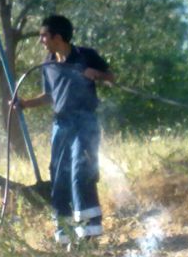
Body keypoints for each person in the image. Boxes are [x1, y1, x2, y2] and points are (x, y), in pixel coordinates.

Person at [16, 15, 114, 245]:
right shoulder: (47, 64)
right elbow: (49, 96)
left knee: (80, 172)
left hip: (85, 122)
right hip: (61, 125)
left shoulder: (86, 55)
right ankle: (65, 235)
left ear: (57, 37)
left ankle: (89, 235)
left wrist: (96, 74)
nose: (40, 40)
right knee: (59, 176)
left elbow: (111, 78)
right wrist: (25, 103)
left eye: (43, 36)